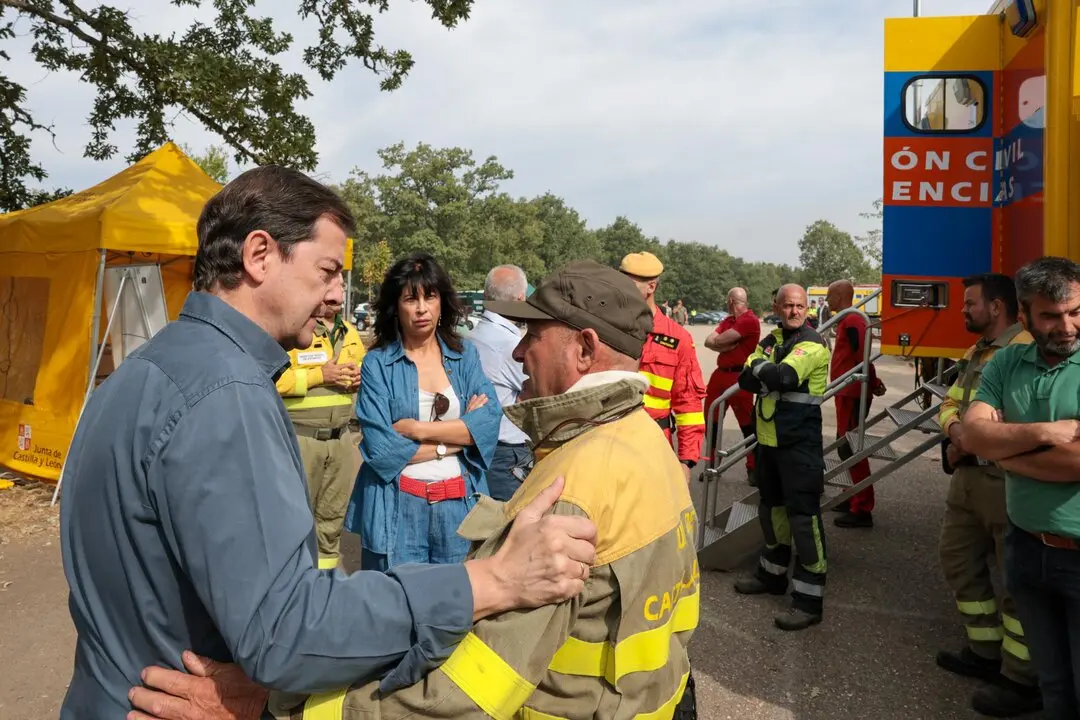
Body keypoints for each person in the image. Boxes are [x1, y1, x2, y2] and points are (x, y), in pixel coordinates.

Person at [57, 166, 599, 718]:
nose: (338, 295)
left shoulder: (137, 372)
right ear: (259, 255)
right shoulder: (228, 393)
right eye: (327, 271)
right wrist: (490, 582)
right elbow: (288, 631)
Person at [126, 260, 700, 720]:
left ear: (584, 348)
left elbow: (465, 694)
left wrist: (282, 710)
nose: (519, 352)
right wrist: (455, 435)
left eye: (532, 335)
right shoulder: (647, 444)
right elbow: (385, 449)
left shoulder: (570, 489)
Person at [962, 257, 1080, 719]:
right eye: (1051, 315)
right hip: (1026, 546)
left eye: (1075, 311)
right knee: (1053, 684)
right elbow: (972, 436)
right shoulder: (1007, 360)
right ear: (1025, 314)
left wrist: (1003, 450)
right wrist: (1045, 434)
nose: (1067, 325)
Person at [344, 252, 502, 570]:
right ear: (395, 307)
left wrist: (419, 430)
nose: (421, 309)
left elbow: (488, 424)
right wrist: (460, 437)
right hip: (398, 507)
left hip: (460, 508)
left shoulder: (465, 355)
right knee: (397, 610)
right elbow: (381, 450)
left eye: (430, 297)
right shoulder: (378, 364)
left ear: (442, 302)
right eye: (410, 299)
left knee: (455, 612)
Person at [934, 273, 1040, 717]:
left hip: (1005, 482)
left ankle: (1022, 680)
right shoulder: (976, 350)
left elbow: (1019, 421)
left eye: (969, 303)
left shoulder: (1025, 351)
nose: (963, 311)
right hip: (968, 478)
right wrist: (958, 434)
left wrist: (973, 439)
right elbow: (949, 404)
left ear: (996, 307)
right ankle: (984, 651)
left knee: (1019, 584)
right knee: (958, 560)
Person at [733, 284, 832, 631]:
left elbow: (785, 376)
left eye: (800, 306)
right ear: (775, 305)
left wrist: (764, 371)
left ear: (808, 308)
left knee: (804, 522)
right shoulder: (771, 340)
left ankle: (808, 601)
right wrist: (766, 372)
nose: (793, 311)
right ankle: (771, 575)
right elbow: (745, 379)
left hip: (799, 445)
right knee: (770, 511)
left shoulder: (813, 342)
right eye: (788, 305)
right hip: (768, 443)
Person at [275, 296, 365, 569]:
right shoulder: (291, 331)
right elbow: (274, 380)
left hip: (340, 441)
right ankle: (290, 592)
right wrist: (319, 376)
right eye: (329, 283)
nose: (337, 293)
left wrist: (359, 378)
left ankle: (324, 587)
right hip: (300, 439)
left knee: (330, 524)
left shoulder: (349, 333)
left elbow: (358, 371)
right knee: (291, 523)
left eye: (340, 283)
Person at [618, 251, 707, 480]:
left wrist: (686, 461)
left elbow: (688, 404)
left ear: (651, 287)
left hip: (654, 445)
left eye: (628, 284)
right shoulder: (604, 329)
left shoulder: (678, 339)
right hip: (608, 442)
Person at [468, 264, 533, 502]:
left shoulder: (474, 336)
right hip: (507, 455)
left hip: (479, 445)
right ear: (520, 298)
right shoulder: (510, 344)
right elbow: (538, 392)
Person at [826, 279, 886, 529]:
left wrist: (872, 383)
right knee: (845, 446)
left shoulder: (852, 320)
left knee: (851, 448)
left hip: (853, 392)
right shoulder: (848, 319)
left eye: (830, 294)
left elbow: (863, 357)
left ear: (840, 295)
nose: (827, 299)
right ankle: (851, 495)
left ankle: (861, 507)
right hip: (847, 391)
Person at [704, 287, 761, 485]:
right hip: (720, 376)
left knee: (747, 425)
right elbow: (708, 341)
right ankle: (711, 466)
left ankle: (753, 467)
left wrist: (719, 343)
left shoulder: (749, 320)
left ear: (730, 300)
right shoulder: (729, 320)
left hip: (740, 377)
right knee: (711, 422)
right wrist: (723, 344)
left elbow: (717, 339)